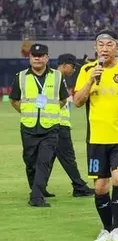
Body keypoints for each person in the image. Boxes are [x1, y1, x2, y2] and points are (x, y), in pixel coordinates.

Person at [73, 30, 118, 241]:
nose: (104, 48)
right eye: (101, 45)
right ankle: (106, 229)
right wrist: (90, 82)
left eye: (109, 44)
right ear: (95, 48)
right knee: (100, 188)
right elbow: (77, 101)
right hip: (96, 138)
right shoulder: (87, 70)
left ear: (117, 47)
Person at [9, 44, 70, 207]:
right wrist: (26, 112)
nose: (37, 58)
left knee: (44, 161)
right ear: (29, 58)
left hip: (50, 127)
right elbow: (14, 100)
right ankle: (36, 189)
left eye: (41, 55)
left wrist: (51, 112)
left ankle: (36, 196)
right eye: (34, 55)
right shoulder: (21, 76)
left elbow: (63, 99)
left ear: (47, 58)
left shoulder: (57, 76)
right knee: (30, 163)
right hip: (28, 127)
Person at [47, 54, 95, 197]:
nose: (74, 70)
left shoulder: (58, 78)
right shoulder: (54, 78)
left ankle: (39, 186)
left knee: (49, 159)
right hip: (58, 125)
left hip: (57, 124)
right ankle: (79, 186)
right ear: (64, 65)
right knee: (68, 158)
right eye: (73, 66)